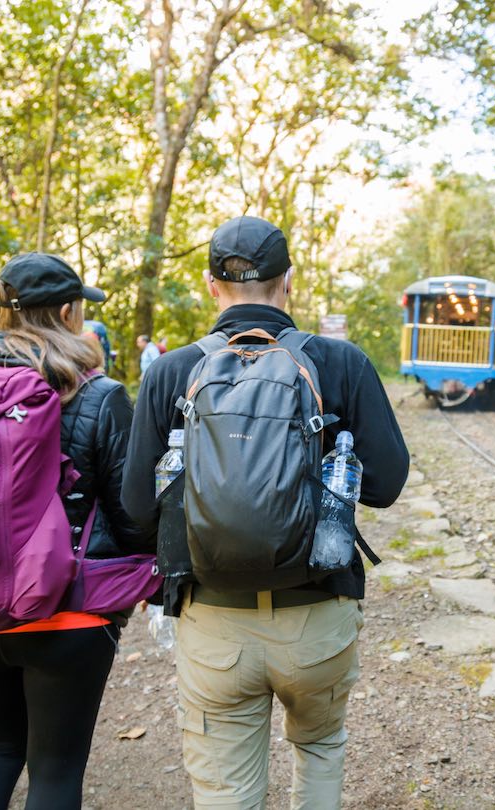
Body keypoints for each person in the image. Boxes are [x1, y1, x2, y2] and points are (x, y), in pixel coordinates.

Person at [122, 216, 410, 808]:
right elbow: (386, 485)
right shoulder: (341, 363)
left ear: (209, 286)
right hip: (318, 617)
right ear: (289, 282)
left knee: (227, 789)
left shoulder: (171, 372)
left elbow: (135, 508)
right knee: (321, 745)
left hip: (213, 621)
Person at [0, 253, 155, 809]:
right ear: (67, 312)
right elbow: (133, 519)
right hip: (66, 608)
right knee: (54, 771)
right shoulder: (100, 395)